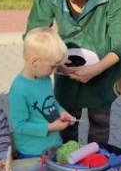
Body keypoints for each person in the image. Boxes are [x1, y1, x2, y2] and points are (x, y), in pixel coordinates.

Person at [26, 0, 121, 145]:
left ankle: (97, 167)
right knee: (66, 122)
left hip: (104, 71)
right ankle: (68, 167)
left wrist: (96, 69)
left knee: (100, 123)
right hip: (66, 70)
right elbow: (34, 33)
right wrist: (54, 64)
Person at [9, 27, 76, 157]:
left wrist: (61, 112)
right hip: (32, 152)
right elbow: (19, 126)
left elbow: (50, 101)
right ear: (35, 61)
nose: (55, 70)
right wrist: (50, 127)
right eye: (53, 66)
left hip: (54, 144)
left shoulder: (44, 78)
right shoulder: (19, 89)